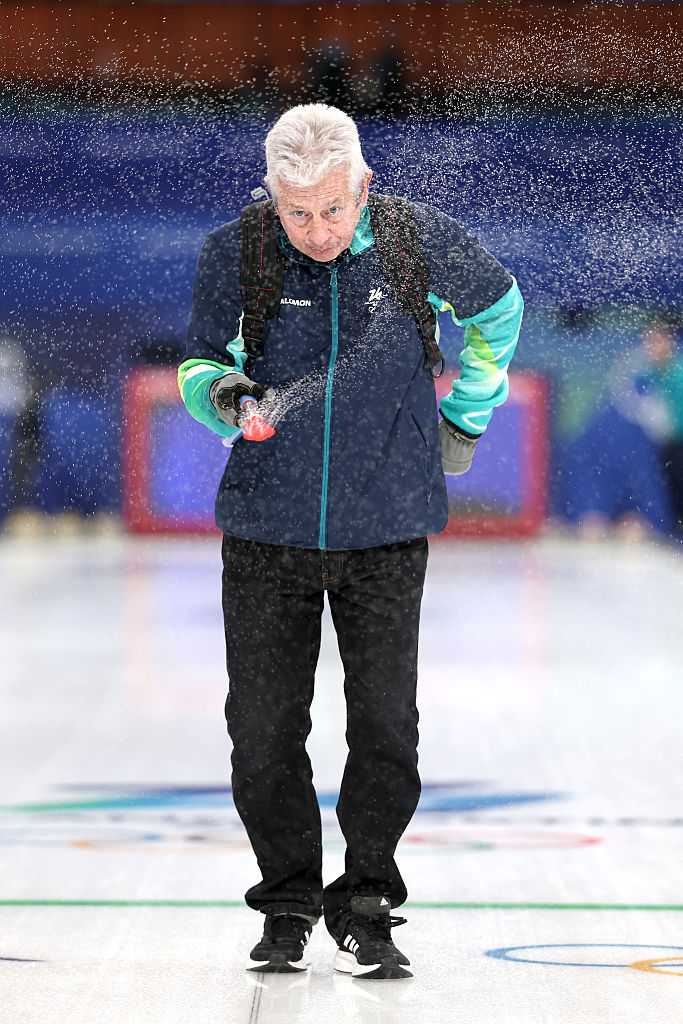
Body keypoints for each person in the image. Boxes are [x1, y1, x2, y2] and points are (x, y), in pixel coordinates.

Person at [178, 103, 523, 981]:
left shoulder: (416, 241)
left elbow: (500, 311)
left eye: (333, 209)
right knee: (260, 734)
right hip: (265, 531)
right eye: (298, 213)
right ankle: (287, 902)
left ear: (362, 185)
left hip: (388, 530)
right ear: (273, 198)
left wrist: (467, 411)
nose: (318, 230)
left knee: (384, 731)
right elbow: (196, 362)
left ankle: (367, 903)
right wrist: (224, 397)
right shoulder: (240, 251)